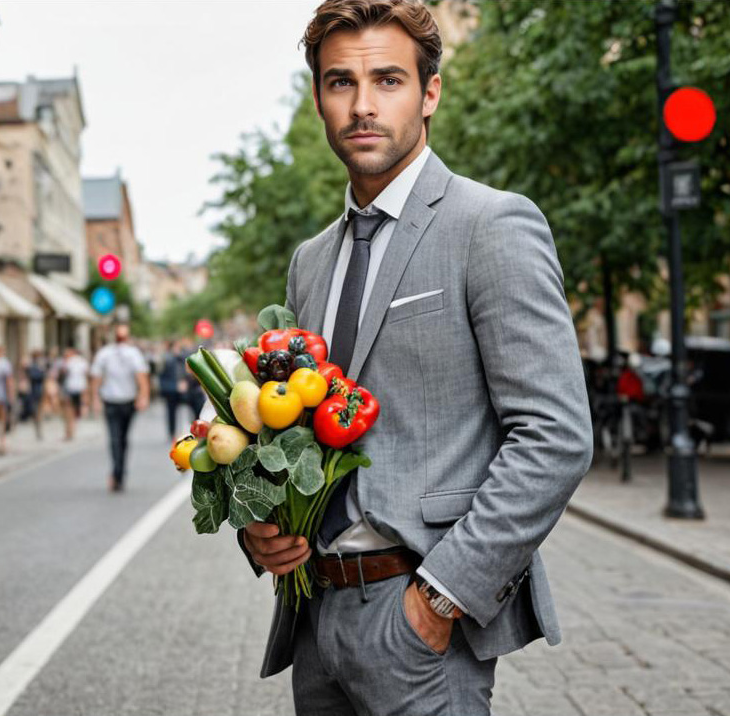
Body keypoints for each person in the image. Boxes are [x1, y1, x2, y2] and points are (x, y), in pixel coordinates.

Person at [238, 3, 594, 714]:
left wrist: (436, 602)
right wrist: (261, 529)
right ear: (317, 98)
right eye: (340, 82)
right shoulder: (309, 262)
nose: (362, 105)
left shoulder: (490, 225)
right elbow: (294, 431)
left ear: (429, 94)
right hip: (313, 617)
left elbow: (554, 436)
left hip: (421, 623)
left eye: (388, 80)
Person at [90, 324, 150, 492]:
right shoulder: (132, 353)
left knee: (117, 439)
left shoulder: (106, 353)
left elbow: (95, 378)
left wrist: (94, 398)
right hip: (122, 401)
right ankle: (118, 473)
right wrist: (143, 396)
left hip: (117, 401)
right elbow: (142, 377)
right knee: (120, 439)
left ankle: (118, 473)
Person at [158, 339, 187, 441]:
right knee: (171, 412)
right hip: (171, 391)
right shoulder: (167, 358)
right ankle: (172, 432)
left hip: (181, 390)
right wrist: (175, 386)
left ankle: (182, 431)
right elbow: (162, 377)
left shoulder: (181, 358)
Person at [60, 344, 90, 441]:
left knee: (70, 410)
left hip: (71, 387)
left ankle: (70, 430)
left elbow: (63, 372)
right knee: (78, 408)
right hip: (81, 387)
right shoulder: (82, 361)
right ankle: (73, 428)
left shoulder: (68, 361)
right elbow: (87, 374)